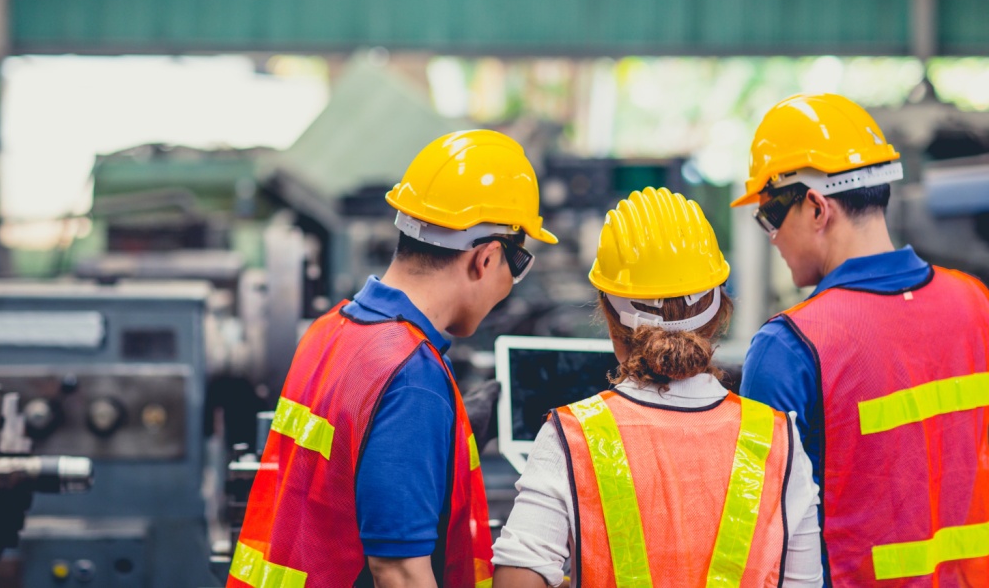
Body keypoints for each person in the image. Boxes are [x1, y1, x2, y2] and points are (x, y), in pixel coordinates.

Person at [228, 129, 557, 588]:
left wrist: (445, 448)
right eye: (517, 263)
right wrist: (421, 417)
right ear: (484, 259)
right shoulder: (411, 380)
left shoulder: (331, 329)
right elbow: (400, 573)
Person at [493, 187, 822, 588]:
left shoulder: (574, 436)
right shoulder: (779, 442)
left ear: (612, 321)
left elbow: (516, 580)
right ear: (719, 312)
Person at [733, 93, 989, 585]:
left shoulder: (791, 347)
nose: (770, 236)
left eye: (769, 216)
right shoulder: (975, 304)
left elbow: (759, 540)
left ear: (814, 207)